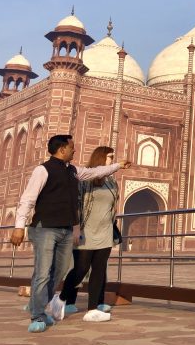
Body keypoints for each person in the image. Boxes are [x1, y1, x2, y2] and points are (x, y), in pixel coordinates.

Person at [10, 135, 130, 333]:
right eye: (72, 148)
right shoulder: (43, 170)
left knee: (59, 272)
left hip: (65, 229)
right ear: (62, 149)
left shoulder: (74, 171)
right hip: (46, 228)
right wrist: (18, 226)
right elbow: (28, 199)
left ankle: (42, 305)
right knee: (43, 272)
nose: (75, 151)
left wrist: (118, 165)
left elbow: (96, 171)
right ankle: (38, 314)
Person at [57, 146, 122, 323]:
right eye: (110, 157)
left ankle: (92, 309)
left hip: (105, 231)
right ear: (101, 159)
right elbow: (75, 206)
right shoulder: (84, 180)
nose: (112, 160)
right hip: (86, 230)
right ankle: (61, 298)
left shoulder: (112, 182)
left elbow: (113, 207)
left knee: (99, 270)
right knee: (80, 269)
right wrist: (76, 229)